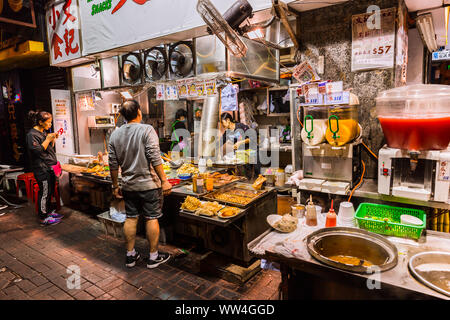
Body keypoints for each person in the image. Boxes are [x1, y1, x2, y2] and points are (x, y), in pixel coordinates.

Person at [109, 100, 172, 269]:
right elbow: (154, 156)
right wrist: (165, 180)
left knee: (131, 218)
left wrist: (115, 186)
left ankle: (130, 256)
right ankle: (153, 257)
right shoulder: (147, 130)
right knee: (151, 218)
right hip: (149, 185)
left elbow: (112, 163)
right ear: (139, 112)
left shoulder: (115, 134)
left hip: (128, 185)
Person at [26, 111, 63, 226]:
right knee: (44, 193)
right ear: (41, 122)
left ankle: (47, 212)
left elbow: (47, 150)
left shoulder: (43, 132)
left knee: (50, 191)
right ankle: (43, 218)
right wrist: (47, 139)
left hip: (50, 168)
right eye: (48, 122)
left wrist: (52, 140)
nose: (50, 125)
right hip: (41, 169)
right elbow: (37, 151)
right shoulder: (31, 135)